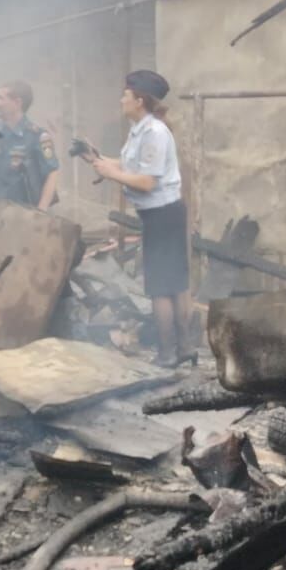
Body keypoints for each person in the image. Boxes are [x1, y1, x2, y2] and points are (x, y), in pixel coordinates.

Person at [81, 70, 196, 366]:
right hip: (160, 215)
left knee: (162, 287)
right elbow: (129, 164)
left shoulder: (155, 133)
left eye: (126, 95)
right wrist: (96, 159)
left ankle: (169, 353)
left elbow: (147, 181)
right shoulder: (141, 130)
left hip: (163, 215)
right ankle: (184, 349)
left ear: (140, 100)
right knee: (175, 284)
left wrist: (112, 173)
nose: (122, 99)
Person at [0, 80, 60, 211]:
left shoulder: (37, 136)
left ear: (17, 103)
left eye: (1, 98)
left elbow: (52, 172)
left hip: (23, 215)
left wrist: (41, 211)